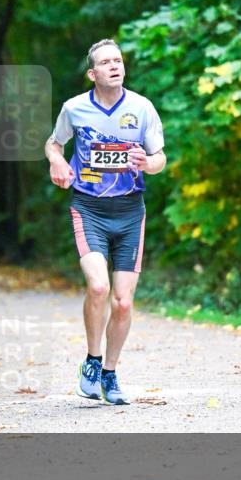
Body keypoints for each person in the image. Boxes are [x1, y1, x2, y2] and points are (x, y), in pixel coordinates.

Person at [45, 39, 167, 405]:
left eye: (118, 60)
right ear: (92, 73)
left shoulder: (142, 108)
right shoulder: (75, 108)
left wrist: (148, 163)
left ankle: (111, 374)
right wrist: (57, 161)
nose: (115, 65)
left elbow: (160, 156)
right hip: (90, 208)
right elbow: (53, 143)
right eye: (106, 62)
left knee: (124, 302)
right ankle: (93, 361)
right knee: (98, 287)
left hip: (130, 212)